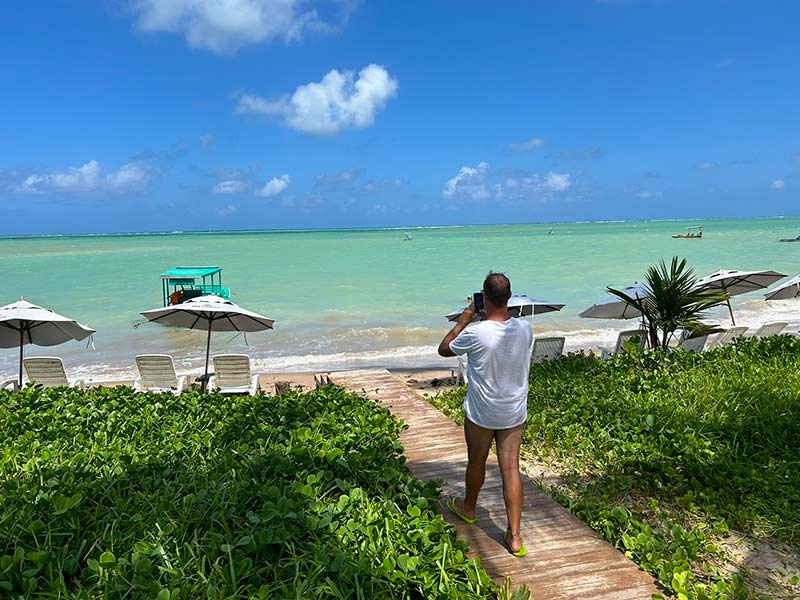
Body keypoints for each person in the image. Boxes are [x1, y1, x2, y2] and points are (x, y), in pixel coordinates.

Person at [437, 272, 532, 557]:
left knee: (476, 462)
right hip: (513, 411)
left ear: (484, 298)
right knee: (510, 470)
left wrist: (466, 318)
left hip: (482, 412)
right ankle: (515, 537)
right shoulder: (526, 329)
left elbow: (444, 349)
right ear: (509, 297)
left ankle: (469, 507)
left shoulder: (475, 332)